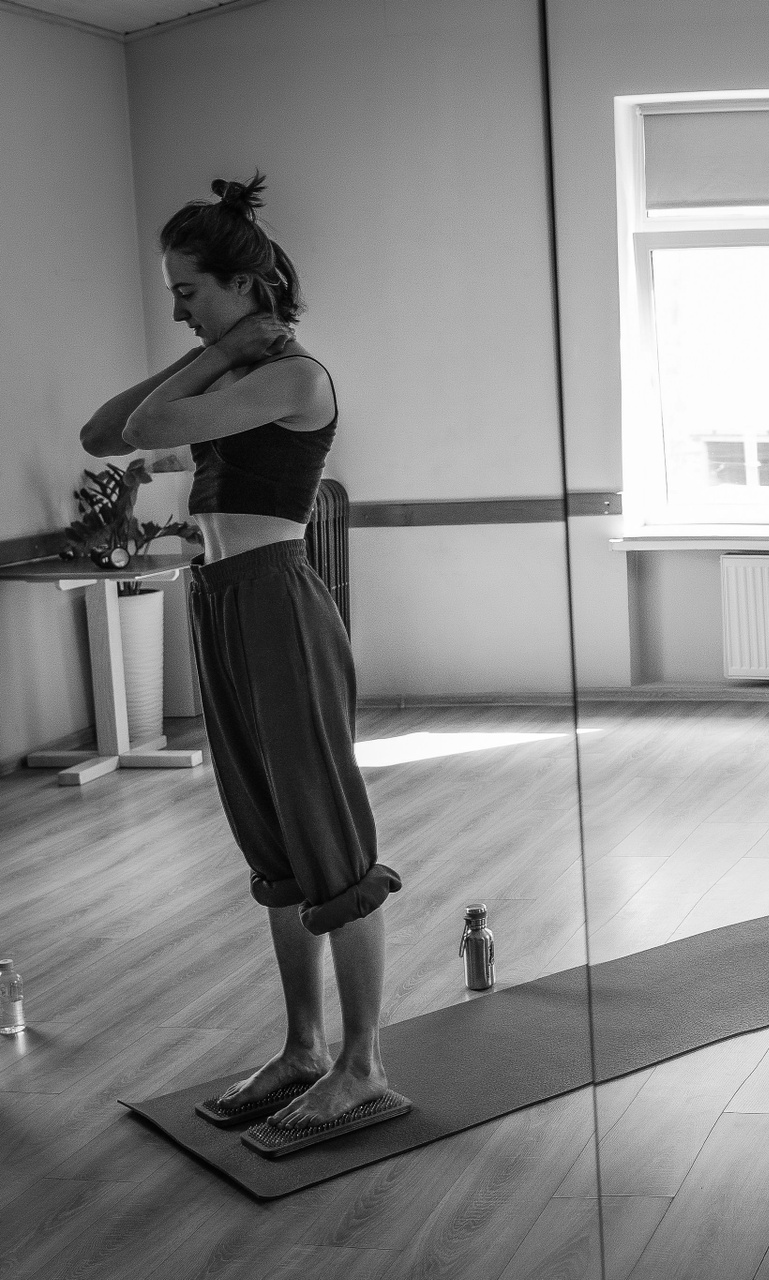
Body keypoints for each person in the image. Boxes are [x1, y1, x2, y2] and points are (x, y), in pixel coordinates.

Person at [81, 174, 403, 1133]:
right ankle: (303, 1048)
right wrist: (214, 349)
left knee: (326, 837)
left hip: (278, 601)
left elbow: (145, 429)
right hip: (220, 600)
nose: (179, 310)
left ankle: (362, 1064)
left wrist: (223, 351)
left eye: (189, 291)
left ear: (243, 284)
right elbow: (102, 436)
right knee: (270, 838)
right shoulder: (228, 379)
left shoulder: (295, 380)